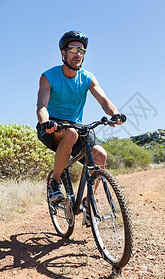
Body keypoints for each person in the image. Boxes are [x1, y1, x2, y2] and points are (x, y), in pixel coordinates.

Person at [36, 30, 126, 202]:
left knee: (100, 155)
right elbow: (41, 105)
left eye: (81, 51)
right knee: (71, 133)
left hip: (75, 126)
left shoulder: (88, 78)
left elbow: (104, 100)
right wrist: (45, 122)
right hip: (51, 126)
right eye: (73, 49)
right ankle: (54, 183)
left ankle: (88, 200)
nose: (78, 54)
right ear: (63, 53)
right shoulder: (48, 76)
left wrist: (115, 113)